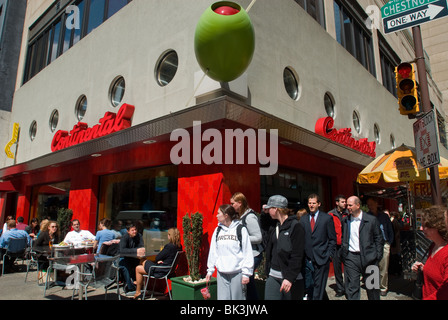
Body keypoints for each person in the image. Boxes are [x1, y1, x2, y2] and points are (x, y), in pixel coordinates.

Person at [206, 204, 254, 300]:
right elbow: (213, 251)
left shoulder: (241, 229)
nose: (216, 215)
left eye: (218, 213)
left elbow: (247, 252)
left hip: (237, 272)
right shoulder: (217, 230)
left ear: (226, 215)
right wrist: (210, 270)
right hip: (222, 273)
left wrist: (246, 273)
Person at [341, 196, 383, 300]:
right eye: (347, 205)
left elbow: (378, 238)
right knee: (352, 288)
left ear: (358, 205)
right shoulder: (346, 220)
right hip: (351, 258)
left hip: (370, 258)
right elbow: (344, 237)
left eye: (350, 205)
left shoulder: (371, 220)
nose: (348, 207)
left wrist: (377, 255)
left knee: (372, 287)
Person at [264, 195, 305, 300]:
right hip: (273, 275)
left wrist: (289, 278)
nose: (268, 211)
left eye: (270, 208)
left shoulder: (296, 227)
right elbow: (263, 228)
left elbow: (297, 255)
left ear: (276, 209)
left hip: (289, 278)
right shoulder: (275, 226)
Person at [299, 194, 336, 300]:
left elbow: (332, 239)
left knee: (318, 288)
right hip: (307, 259)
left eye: (313, 203)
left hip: (322, 258)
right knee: (310, 286)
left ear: (318, 204)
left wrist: (329, 255)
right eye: (309, 203)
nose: (311, 205)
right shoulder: (303, 219)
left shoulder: (326, 218)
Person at [230, 192, 263, 300]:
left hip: (254, 254)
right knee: (247, 281)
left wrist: (242, 238)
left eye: (233, 203)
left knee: (247, 280)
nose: (231, 206)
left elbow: (258, 237)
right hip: (246, 255)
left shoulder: (249, 217)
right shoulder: (240, 217)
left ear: (240, 203)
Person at [133, 227, 182, 299]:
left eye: (168, 235)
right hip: (169, 270)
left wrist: (160, 260)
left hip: (161, 270)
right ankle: (139, 285)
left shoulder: (169, 246)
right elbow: (168, 257)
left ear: (170, 236)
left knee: (141, 263)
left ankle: (138, 288)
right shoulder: (178, 246)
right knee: (140, 267)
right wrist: (161, 260)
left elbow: (157, 258)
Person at [412, 206, 448, 300]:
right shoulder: (433, 246)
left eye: (424, 226)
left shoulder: (446, 253)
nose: (421, 228)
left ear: (435, 227)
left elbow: (445, 292)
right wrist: (423, 269)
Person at [367, 197, 394, 296]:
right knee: (373, 266)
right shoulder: (367, 216)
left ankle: (383, 287)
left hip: (384, 243)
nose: (370, 206)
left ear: (376, 204)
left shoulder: (384, 216)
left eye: (371, 204)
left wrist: (389, 242)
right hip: (372, 244)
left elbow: (390, 229)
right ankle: (374, 285)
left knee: (383, 266)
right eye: (368, 205)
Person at [327, 194, 348, 297]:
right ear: (337, 203)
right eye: (342, 202)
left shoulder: (348, 214)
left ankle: (348, 288)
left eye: (345, 202)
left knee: (349, 268)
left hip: (346, 245)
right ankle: (340, 289)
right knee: (337, 269)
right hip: (336, 246)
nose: (345, 204)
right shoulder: (330, 214)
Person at [119, 223, 145, 294]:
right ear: (128, 231)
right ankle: (130, 287)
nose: (134, 231)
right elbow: (122, 251)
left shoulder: (139, 236)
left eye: (135, 229)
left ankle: (139, 284)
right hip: (123, 258)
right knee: (125, 266)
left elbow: (141, 246)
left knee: (140, 264)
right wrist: (136, 250)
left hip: (135, 258)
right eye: (132, 230)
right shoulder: (124, 238)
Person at [389, 211, 402, 276]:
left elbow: (396, 232)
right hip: (395, 242)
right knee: (395, 257)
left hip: (395, 242)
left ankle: (397, 270)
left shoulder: (394, 222)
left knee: (395, 257)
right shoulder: (393, 222)